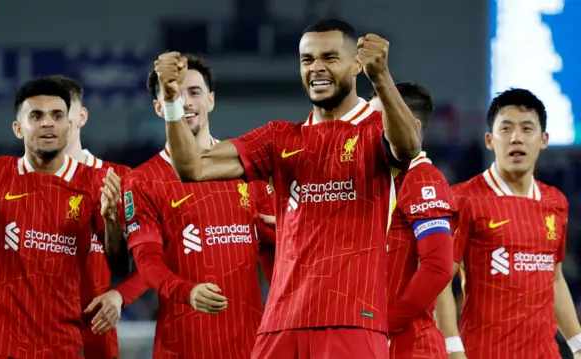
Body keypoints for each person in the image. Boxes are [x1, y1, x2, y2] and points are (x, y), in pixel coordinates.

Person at [158, 18, 421, 358]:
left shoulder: (374, 129)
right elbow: (191, 167)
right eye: (307, 60)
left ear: (356, 64)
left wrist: (382, 77)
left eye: (329, 57)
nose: (317, 68)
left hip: (353, 320)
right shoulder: (279, 137)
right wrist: (171, 101)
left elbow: (408, 148)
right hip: (280, 322)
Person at [0, 77, 123, 359]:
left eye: (57, 116)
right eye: (36, 116)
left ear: (69, 125)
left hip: (63, 348)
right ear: (18, 129)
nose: (47, 123)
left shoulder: (95, 182)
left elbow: (119, 262)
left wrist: (111, 219)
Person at [122, 54, 276, 358]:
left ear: (211, 100)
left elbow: (274, 250)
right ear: (159, 107)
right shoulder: (142, 180)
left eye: (194, 92)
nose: (186, 102)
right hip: (182, 347)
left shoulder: (248, 169)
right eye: (175, 95)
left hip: (250, 346)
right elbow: (148, 262)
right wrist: (187, 291)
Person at [434, 88, 581, 359]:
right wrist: (453, 349)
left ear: (544, 139)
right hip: (484, 352)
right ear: (490, 140)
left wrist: (577, 344)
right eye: (506, 129)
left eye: (527, 129)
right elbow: (439, 280)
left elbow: (555, 279)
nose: (516, 138)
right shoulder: (463, 198)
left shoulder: (556, 201)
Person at [48, 75, 149, 359]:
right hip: (34, 340)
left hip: (96, 342)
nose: (54, 122)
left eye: (62, 112)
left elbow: (153, 259)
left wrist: (120, 295)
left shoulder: (123, 178)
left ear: (82, 116)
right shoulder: (21, 184)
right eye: (46, 114)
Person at [369, 83, 454, 358]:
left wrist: (384, 325)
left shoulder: (422, 178)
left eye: (376, 122)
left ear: (411, 127)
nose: (366, 132)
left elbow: (438, 267)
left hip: (409, 348)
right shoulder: (378, 180)